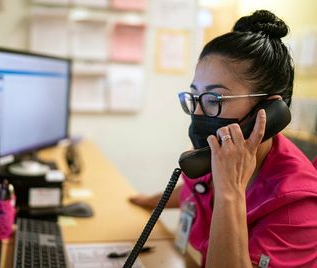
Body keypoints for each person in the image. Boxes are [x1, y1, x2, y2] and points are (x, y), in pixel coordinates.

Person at [129, 10, 317, 267]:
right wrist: (149, 201)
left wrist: (230, 190)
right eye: (194, 97)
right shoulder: (219, 156)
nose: (197, 112)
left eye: (214, 99)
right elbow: (195, 190)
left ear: (266, 112)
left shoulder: (298, 209)